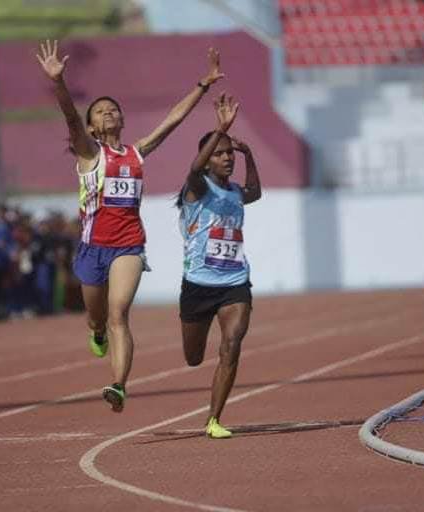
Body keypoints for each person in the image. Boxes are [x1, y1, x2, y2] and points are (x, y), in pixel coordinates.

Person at [37, 39, 224, 412]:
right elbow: (70, 117)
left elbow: (173, 119)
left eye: (113, 110)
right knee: (98, 317)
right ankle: (97, 331)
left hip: (128, 246)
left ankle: (118, 385)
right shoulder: (89, 152)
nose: (108, 114)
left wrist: (204, 85)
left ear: (121, 120)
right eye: (101, 112)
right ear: (91, 126)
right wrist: (59, 82)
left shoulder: (136, 152)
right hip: (93, 249)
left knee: (119, 312)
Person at [176, 93, 262, 438]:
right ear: (208, 159)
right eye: (220, 153)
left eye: (230, 153)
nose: (228, 158)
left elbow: (255, 192)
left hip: (234, 282)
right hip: (197, 283)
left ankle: (214, 419)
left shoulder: (236, 192)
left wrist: (250, 154)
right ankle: (212, 413)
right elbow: (193, 168)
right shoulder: (196, 188)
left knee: (232, 343)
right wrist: (220, 128)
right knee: (193, 358)